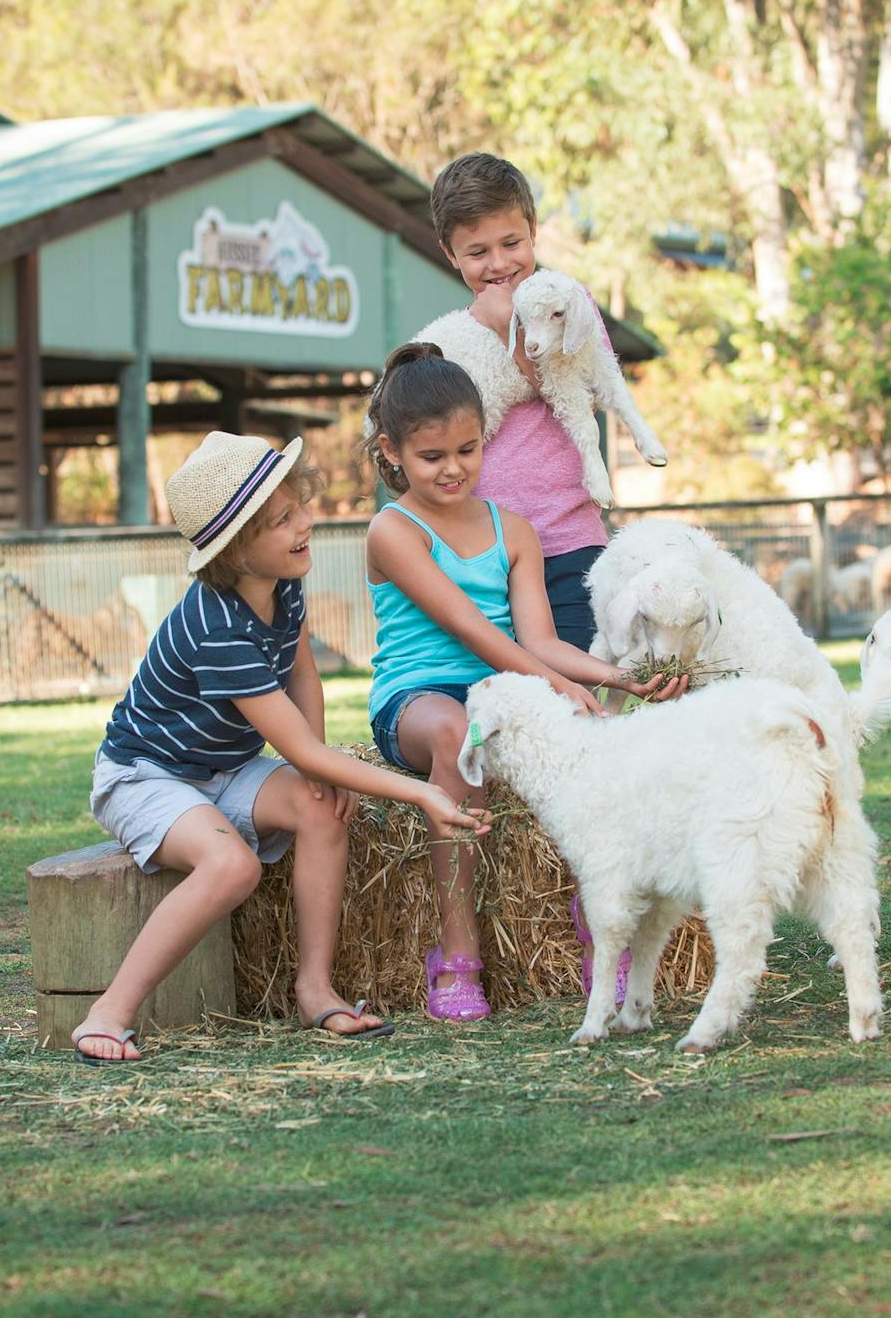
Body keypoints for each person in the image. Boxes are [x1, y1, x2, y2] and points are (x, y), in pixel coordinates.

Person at [70, 431, 486, 1063]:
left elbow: (303, 677)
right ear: (236, 551)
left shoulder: (284, 584)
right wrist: (421, 790)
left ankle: (314, 989)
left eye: (299, 508)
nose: (304, 526)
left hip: (226, 766)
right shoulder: (217, 629)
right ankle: (109, 1011)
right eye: (281, 520)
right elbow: (289, 740)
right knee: (231, 865)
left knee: (323, 807)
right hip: (146, 775)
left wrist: (321, 767)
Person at [362, 344, 682, 1022]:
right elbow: (477, 635)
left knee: (599, 733)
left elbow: (539, 642)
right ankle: (457, 950)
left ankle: (601, 917)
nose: (454, 469)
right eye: (431, 457)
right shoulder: (392, 531)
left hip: (506, 687)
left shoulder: (515, 531)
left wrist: (616, 678)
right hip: (420, 699)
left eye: (468, 450)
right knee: (458, 735)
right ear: (391, 452)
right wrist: (553, 686)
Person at [427, 152, 614, 651]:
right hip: (485, 554)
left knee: (572, 688)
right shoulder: (450, 344)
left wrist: (509, 331)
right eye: (477, 252)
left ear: (532, 230)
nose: (499, 264)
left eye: (511, 243)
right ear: (450, 253)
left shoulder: (567, 306)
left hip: (571, 541)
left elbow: (589, 397)